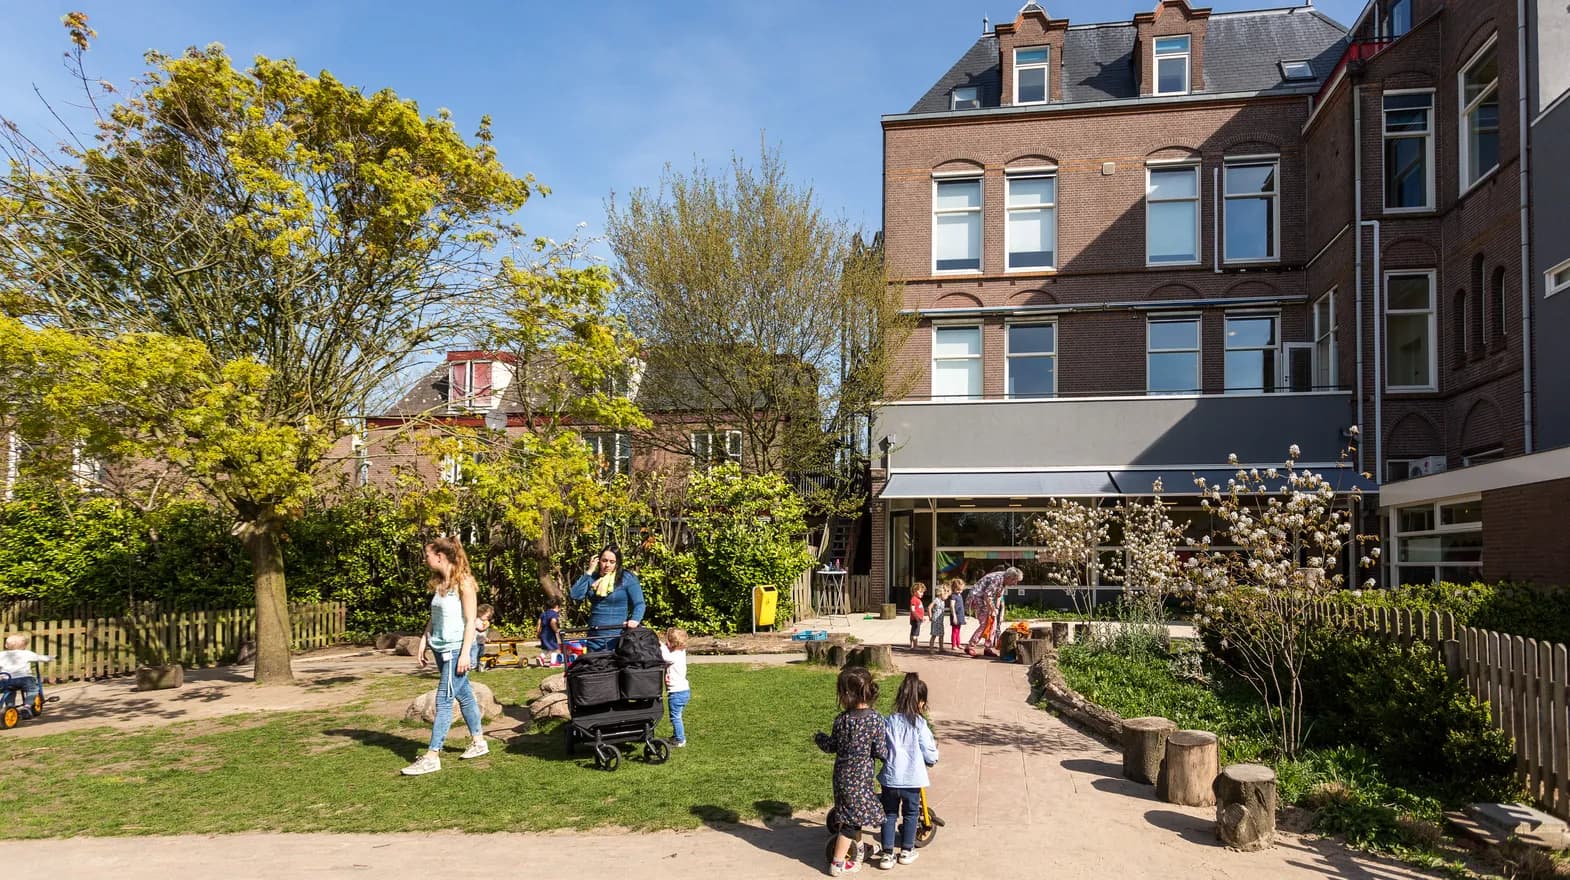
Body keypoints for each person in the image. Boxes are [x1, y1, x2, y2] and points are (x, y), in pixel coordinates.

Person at [402, 536, 486, 776]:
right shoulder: (440, 583)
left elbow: (471, 621)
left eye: (427, 554)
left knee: (444, 699)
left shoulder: (465, 583)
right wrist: (423, 642)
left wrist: (464, 655)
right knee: (465, 695)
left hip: (457, 649)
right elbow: (434, 616)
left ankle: (432, 756)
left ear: (440, 556)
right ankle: (479, 742)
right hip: (440, 647)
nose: (424, 559)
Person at [815, 666, 888, 877]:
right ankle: (837, 863)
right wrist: (889, 757)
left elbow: (831, 746)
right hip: (860, 778)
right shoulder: (875, 719)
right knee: (851, 822)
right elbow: (880, 750)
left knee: (851, 815)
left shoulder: (842, 720)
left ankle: (859, 849)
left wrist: (819, 738)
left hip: (841, 777)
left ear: (847, 694)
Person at [876, 673, 939, 869]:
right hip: (912, 779)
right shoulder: (920, 724)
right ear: (921, 703)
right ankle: (906, 850)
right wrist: (932, 758)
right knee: (911, 814)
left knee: (889, 813)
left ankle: (887, 854)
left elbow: (881, 746)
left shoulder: (889, 721)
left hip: (891, 777)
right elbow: (928, 751)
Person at [568, 545, 646, 652]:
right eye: (604, 560)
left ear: (617, 563)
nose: (607, 565)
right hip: (594, 635)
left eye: (612, 561)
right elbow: (575, 595)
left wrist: (635, 619)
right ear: (598, 561)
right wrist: (589, 571)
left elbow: (639, 603)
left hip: (618, 636)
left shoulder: (627, 578)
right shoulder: (592, 578)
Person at [965, 567, 1021, 657]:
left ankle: (988, 648)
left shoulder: (1004, 580)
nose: (1015, 584)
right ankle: (970, 646)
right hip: (978, 598)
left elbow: (999, 595)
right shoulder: (997, 579)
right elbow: (987, 595)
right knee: (985, 623)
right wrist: (992, 609)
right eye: (1015, 581)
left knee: (993, 623)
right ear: (1010, 577)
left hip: (986, 600)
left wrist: (996, 610)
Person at [0, 634, 52, 708]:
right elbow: (40, 658)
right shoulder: (26, 653)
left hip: (6, 680)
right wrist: (51, 658)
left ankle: (10, 706)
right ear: (24, 646)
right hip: (24, 680)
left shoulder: (1, 654)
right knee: (33, 689)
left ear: (6, 645)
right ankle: (27, 706)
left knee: (9, 691)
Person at [661, 627, 691, 748]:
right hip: (683, 691)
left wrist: (661, 646)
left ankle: (680, 739)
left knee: (675, 717)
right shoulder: (680, 652)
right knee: (677, 716)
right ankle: (676, 736)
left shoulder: (674, 656)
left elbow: (665, 657)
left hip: (677, 693)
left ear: (672, 643)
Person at [537, 597, 563, 666]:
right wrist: (556, 630)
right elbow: (553, 622)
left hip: (543, 634)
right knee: (554, 648)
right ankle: (553, 662)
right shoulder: (554, 614)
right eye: (560, 608)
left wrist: (538, 632)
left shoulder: (543, 614)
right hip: (550, 635)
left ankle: (541, 657)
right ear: (557, 606)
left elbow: (539, 623)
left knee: (546, 648)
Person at [469, 603, 494, 672]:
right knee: (474, 654)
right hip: (475, 642)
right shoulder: (477, 621)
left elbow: (483, 633)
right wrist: (486, 626)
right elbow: (480, 630)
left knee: (480, 655)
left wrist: (486, 638)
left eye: (489, 617)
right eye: (487, 616)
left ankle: (478, 666)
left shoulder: (484, 622)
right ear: (480, 613)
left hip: (481, 642)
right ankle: (472, 666)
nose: (488, 619)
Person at [927, 582, 949, 653]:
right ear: (941, 594)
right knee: (934, 635)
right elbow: (929, 607)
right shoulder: (936, 600)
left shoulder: (943, 601)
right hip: (935, 621)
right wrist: (930, 616)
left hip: (940, 621)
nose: (947, 597)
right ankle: (931, 649)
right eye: (946, 595)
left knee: (941, 635)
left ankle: (941, 648)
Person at [945, 578, 967, 651]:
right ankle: (954, 645)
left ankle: (958, 643)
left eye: (961, 589)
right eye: (958, 589)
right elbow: (951, 606)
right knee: (955, 630)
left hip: (960, 615)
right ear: (954, 588)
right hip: (955, 615)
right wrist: (954, 616)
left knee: (958, 630)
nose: (960, 591)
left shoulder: (959, 595)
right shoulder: (953, 596)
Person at [907, 582, 927, 651]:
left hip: (917, 619)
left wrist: (922, 617)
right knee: (915, 633)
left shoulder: (917, 599)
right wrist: (917, 617)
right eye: (920, 592)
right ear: (915, 591)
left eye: (923, 592)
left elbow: (919, 610)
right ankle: (914, 646)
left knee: (913, 632)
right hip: (916, 619)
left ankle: (912, 645)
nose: (922, 593)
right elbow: (912, 609)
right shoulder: (914, 599)